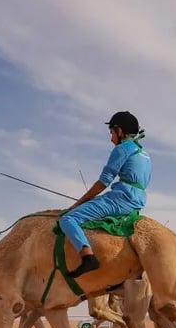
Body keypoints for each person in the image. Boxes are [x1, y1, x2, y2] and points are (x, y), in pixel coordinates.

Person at [60, 111, 152, 278]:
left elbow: (103, 182)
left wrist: (78, 203)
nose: (111, 138)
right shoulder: (144, 153)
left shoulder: (123, 148)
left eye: (111, 132)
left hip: (121, 199)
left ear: (120, 131)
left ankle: (87, 257)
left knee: (68, 219)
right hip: (138, 202)